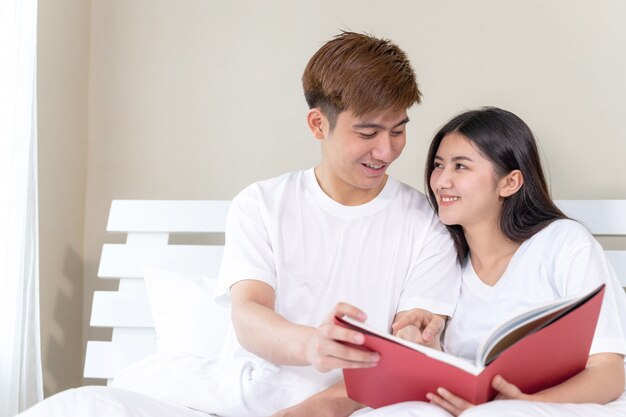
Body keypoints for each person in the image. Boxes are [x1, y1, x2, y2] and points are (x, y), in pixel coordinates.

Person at [16, 32, 460, 417]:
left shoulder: (424, 223)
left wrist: (342, 394)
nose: (386, 150)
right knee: (82, 406)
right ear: (317, 124)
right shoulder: (262, 205)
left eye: (398, 130)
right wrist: (312, 345)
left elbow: (413, 339)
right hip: (250, 396)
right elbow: (249, 314)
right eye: (367, 133)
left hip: (358, 404)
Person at [359, 107, 626, 417]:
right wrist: (424, 347)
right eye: (438, 165)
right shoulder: (442, 262)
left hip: (555, 407)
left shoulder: (565, 243)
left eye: (460, 167)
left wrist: (524, 404)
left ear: (510, 182)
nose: (441, 181)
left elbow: (610, 372)